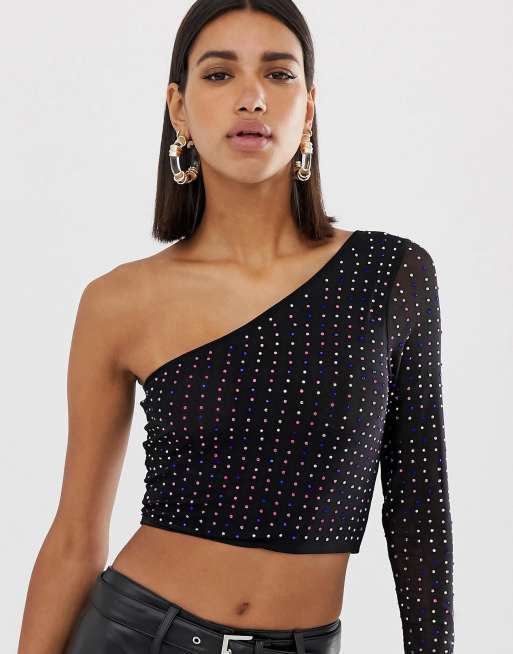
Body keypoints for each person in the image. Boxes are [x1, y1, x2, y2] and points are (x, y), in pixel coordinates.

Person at [17, 1, 455, 653]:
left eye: (278, 74)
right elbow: (76, 537)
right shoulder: (120, 301)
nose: (252, 97)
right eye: (219, 75)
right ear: (178, 108)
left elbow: (419, 509)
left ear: (308, 106)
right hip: (137, 634)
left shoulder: (388, 275)